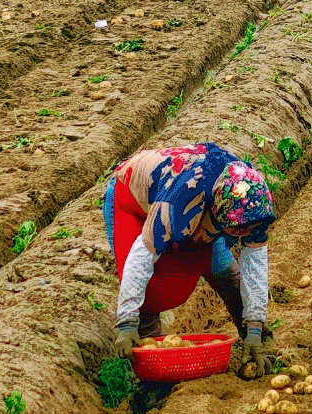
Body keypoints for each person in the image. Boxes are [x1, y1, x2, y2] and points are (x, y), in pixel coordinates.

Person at [103, 143, 276, 375]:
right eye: (237, 229)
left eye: (247, 229)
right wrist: (127, 321)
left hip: (196, 200)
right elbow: (142, 256)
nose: (243, 234)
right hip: (132, 199)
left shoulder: (252, 204)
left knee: (222, 268)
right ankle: (152, 367)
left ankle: (254, 343)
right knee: (155, 287)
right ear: (217, 212)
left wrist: (254, 326)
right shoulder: (179, 201)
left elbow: (255, 266)